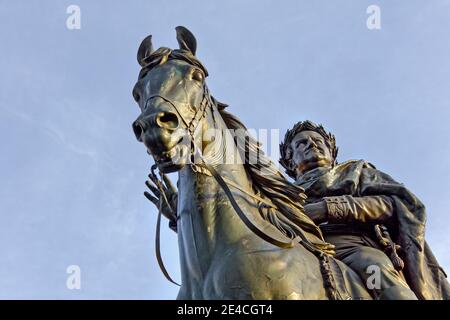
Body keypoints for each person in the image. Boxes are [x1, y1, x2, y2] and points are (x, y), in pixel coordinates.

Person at [279, 120, 450, 300]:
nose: (312, 144)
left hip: (352, 247)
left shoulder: (357, 172)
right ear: (290, 161)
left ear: (332, 153)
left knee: (377, 271)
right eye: (302, 143)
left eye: (318, 141)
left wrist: (330, 208)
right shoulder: (279, 192)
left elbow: (393, 204)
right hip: (298, 247)